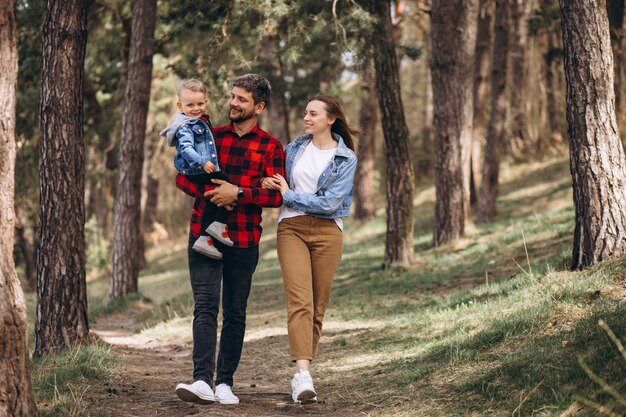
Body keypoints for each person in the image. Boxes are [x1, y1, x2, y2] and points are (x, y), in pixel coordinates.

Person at [174, 74, 285, 405]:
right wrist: (215, 194)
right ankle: (202, 381)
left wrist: (237, 192)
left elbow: (277, 198)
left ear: (259, 107)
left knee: (235, 312)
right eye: (232, 97)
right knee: (205, 307)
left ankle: (225, 383)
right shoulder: (209, 135)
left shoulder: (271, 147)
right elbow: (182, 176)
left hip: (244, 239)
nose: (233, 104)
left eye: (242, 99)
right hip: (202, 235)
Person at [262, 94, 358, 403]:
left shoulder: (346, 158)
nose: (307, 117)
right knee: (300, 300)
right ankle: (302, 375)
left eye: (314, 113)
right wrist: (270, 184)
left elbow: (330, 203)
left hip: (329, 233)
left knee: (317, 306)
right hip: (291, 228)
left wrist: (290, 195)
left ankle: (302, 371)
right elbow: (279, 183)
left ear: (330, 119)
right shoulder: (294, 149)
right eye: (306, 112)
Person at [160, 79, 233, 260]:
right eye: (190, 105)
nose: (196, 108)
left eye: (200, 104)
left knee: (212, 198)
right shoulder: (185, 125)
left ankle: (204, 238)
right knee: (227, 185)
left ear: (206, 102)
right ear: (180, 105)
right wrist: (203, 162)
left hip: (202, 167)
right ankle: (219, 224)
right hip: (198, 168)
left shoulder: (199, 121)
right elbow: (186, 149)